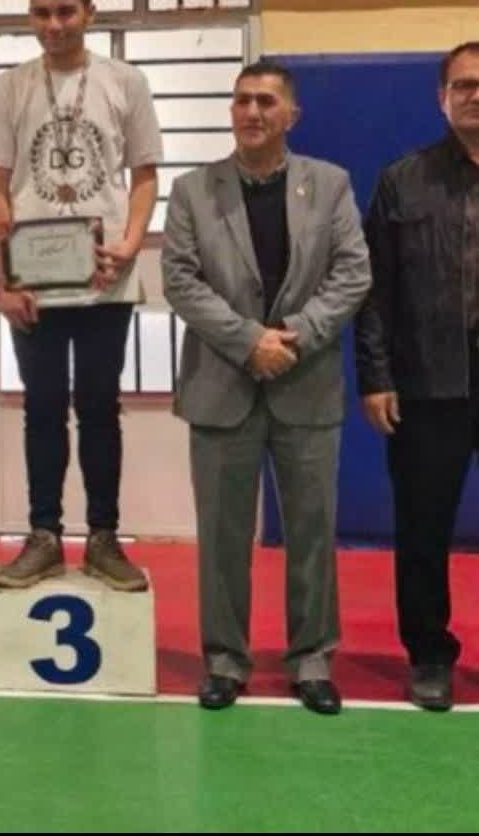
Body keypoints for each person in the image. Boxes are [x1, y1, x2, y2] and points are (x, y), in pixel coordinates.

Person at [163, 62, 370, 714]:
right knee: (222, 536)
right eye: (242, 101)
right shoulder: (192, 191)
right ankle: (225, 660)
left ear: (291, 116)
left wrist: (296, 337)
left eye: (265, 102)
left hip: (305, 383)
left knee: (312, 533)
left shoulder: (329, 185)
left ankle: (312, 660)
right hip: (221, 386)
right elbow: (180, 281)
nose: (251, 112)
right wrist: (249, 341)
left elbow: (352, 273)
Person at [0, 0, 160, 593]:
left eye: (65, 12)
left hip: (104, 275)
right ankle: (44, 535)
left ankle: (104, 537)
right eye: (42, 13)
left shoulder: (125, 82)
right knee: (42, 408)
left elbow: (145, 175)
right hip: (34, 279)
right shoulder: (6, 89)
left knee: (100, 408)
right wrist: (5, 279)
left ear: (89, 11)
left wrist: (130, 244)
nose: (53, 25)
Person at [356, 41, 479, 712]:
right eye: (462, 85)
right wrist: (375, 376)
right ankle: (429, 655)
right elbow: (372, 290)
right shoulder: (402, 181)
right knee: (423, 530)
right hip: (428, 385)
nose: (474, 95)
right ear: (441, 98)